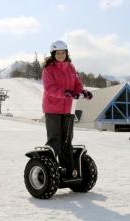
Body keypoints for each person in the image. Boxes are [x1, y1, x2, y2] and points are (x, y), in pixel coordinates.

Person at [42, 40, 93, 178]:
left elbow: (77, 84)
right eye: (57, 53)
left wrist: (83, 92)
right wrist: (65, 92)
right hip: (53, 109)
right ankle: (51, 171)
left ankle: (68, 170)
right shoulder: (48, 70)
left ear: (66, 53)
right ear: (53, 54)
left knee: (67, 140)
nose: (60, 55)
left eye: (63, 52)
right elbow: (49, 89)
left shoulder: (71, 68)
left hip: (68, 109)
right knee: (55, 139)